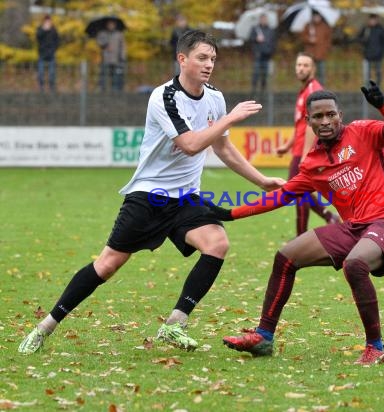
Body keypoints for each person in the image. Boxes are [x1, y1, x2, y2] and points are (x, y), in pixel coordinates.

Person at [17, 31, 285, 355]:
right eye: (202, 58)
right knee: (107, 265)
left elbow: (223, 147)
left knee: (217, 243)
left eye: (213, 59)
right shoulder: (164, 97)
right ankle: (44, 327)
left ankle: (174, 324)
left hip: (186, 198)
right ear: (182, 59)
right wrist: (230, 118)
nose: (209, 64)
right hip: (149, 196)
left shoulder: (215, 97)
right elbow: (189, 145)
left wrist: (260, 180)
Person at [214, 84, 384, 365]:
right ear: (308, 121)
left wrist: (382, 106)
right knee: (285, 257)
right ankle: (264, 337)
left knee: (355, 264)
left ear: (339, 115)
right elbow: (281, 197)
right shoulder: (313, 163)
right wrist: (230, 213)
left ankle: (376, 347)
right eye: (317, 117)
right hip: (354, 227)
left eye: (330, 115)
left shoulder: (364, 131)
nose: (325, 121)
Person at [276, 52, 339, 235]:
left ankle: (301, 237)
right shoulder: (305, 91)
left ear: (313, 69)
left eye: (305, 65)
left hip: (305, 150)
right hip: (299, 148)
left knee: (297, 190)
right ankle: (328, 217)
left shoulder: (313, 91)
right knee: (299, 190)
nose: (301, 68)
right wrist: (287, 146)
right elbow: (301, 125)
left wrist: (305, 154)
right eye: (299, 65)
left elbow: (314, 124)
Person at [248, 13, 277, 98]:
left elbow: (273, 42)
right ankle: (254, 91)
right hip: (258, 54)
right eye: (262, 19)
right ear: (260, 20)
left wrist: (271, 51)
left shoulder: (270, 30)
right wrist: (256, 39)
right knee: (256, 73)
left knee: (265, 75)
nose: (263, 20)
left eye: (265, 19)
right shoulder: (255, 29)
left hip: (267, 55)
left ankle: (263, 91)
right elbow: (250, 39)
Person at [301, 11, 333, 85]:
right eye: (315, 16)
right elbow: (303, 37)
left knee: (321, 73)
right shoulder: (308, 26)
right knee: (310, 73)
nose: (316, 18)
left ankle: (321, 88)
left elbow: (328, 40)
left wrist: (325, 49)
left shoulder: (324, 27)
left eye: (318, 16)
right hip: (310, 54)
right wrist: (309, 39)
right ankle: (310, 87)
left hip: (321, 54)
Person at [357, 14, 384, 86]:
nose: (372, 21)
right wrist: (363, 40)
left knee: (378, 73)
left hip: (378, 55)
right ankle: (367, 89)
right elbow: (358, 39)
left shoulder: (381, 29)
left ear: (377, 20)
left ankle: (377, 88)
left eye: (374, 20)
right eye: (371, 20)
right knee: (367, 75)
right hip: (367, 55)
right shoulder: (365, 29)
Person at [97, 19, 127, 91]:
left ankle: (116, 90)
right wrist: (106, 44)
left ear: (115, 25)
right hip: (105, 59)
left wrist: (123, 57)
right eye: (109, 24)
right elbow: (99, 42)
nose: (111, 26)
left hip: (116, 59)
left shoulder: (119, 34)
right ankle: (102, 89)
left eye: (112, 24)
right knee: (103, 75)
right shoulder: (103, 33)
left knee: (117, 76)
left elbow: (123, 46)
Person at [36, 15, 59, 92]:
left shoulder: (54, 30)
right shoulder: (40, 29)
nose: (48, 23)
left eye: (49, 21)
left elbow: (57, 41)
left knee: (52, 73)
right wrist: (44, 30)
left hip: (51, 54)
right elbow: (38, 37)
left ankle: (52, 88)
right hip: (42, 54)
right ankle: (41, 87)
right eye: (46, 21)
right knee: (41, 73)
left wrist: (54, 49)